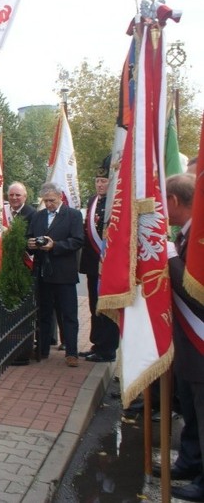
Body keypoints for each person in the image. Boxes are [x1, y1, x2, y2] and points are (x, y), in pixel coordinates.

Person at [162, 172, 204, 501]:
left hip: (200, 341)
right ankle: (190, 462)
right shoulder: (184, 236)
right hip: (188, 345)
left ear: (174, 201)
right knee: (190, 409)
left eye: (165, 201)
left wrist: (170, 258)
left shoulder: (198, 240)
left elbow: (196, 292)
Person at [27, 182, 85, 367]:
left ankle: (72, 352)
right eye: (46, 201)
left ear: (60, 197)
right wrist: (30, 244)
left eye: (52, 200)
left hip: (64, 273)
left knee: (68, 313)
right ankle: (42, 349)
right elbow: (29, 237)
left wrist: (55, 245)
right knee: (43, 313)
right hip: (43, 272)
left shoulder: (73, 215)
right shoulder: (38, 216)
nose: (49, 204)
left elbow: (77, 241)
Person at [78, 158, 118, 362]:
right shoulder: (93, 201)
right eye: (97, 181)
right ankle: (96, 343)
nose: (100, 185)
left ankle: (107, 349)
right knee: (94, 305)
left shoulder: (115, 203)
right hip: (93, 263)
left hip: (108, 264)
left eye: (104, 181)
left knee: (106, 306)